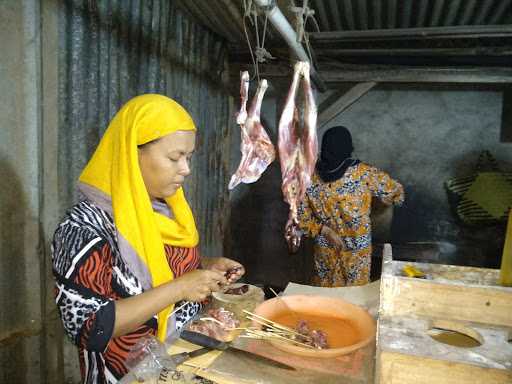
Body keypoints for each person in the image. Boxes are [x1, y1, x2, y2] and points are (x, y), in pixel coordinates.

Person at [51, 94, 245, 383]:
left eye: (188, 157)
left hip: (178, 361)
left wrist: (204, 266)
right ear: (132, 153)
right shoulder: (83, 229)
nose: (186, 169)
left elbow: (156, 263)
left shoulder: (165, 208)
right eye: (174, 157)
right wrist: (181, 287)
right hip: (126, 374)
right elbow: (88, 328)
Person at [298, 126, 404, 287]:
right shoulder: (364, 173)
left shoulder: (308, 176)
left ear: (323, 148)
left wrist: (325, 230)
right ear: (349, 148)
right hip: (357, 252)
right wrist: (380, 204)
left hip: (326, 247)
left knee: (326, 297)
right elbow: (397, 192)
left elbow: (301, 218)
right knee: (354, 298)